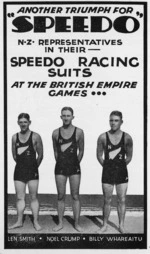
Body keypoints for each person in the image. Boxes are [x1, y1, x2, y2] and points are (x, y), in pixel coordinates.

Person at [97, 111, 133, 233]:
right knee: (107, 200)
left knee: (121, 199)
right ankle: (104, 225)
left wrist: (119, 166)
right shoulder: (103, 137)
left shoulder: (127, 137)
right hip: (107, 172)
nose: (113, 123)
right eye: (111, 120)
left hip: (122, 172)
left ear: (121, 122)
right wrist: (108, 167)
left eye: (116, 120)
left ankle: (121, 225)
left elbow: (129, 156)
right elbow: (99, 156)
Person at [9, 113, 43, 231]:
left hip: (32, 171)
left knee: (33, 197)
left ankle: (36, 221)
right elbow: (14, 155)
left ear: (29, 122)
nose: (23, 124)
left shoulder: (35, 136)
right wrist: (22, 165)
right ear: (18, 123)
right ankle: (19, 221)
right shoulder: (14, 137)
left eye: (25, 122)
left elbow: (40, 154)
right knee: (20, 197)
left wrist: (33, 166)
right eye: (21, 122)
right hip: (19, 171)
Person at [52, 107, 84, 232]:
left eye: (68, 115)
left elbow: (81, 150)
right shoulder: (55, 133)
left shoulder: (79, 132)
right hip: (60, 167)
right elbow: (55, 151)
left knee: (75, 195)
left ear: (72, 117)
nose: (66, 118)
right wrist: (61, 162)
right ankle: (60, 223)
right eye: (64, 115)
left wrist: (75, 163)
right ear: (61, 117)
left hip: (74, 167)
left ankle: (76, 223)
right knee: (60, 196)